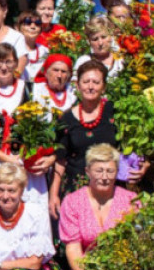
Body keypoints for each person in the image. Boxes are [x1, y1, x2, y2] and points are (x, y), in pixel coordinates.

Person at [60, 144, 152, 270]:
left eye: (110, 171)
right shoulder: (73, 201)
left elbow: (141, 244)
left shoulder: (131, 201)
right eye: (99, 171)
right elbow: (73, 246)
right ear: (87, 172)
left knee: (151, 268)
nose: (104, 176)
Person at [0, 44, 52, 214]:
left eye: (8, 62)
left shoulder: (34, 90)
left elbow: (46, 130)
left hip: (26, 165)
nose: (3, 67)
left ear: (16, 64)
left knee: (31, 215)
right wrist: (7, 159)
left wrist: (37, 157)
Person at [53, 60, 135, 202]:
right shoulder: (66, 119)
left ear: (103, 87)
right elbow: (60, 160)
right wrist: (53, 194)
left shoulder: (115, 112)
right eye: (86, 82)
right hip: (76, 188)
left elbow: (130, 146)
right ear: (77, 86)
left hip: (110, 187)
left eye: (96, 82)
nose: (90, 87)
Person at [15, 9, 49, 81]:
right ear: (18, 27)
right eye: (28, 22)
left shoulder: (45, 51)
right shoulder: (12, 50)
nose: (33, 26)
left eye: (37, 23)